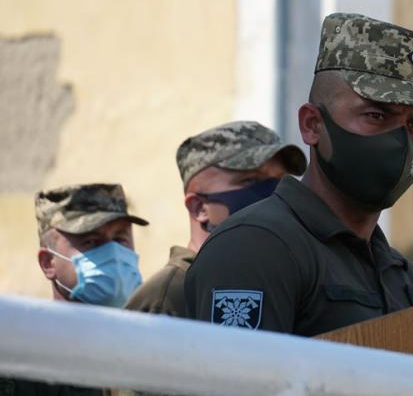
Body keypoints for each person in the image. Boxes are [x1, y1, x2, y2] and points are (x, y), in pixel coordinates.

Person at [185, 12, 413, 336]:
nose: (400, 141)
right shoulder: (255, 247)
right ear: (312, 125)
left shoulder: (409, 282)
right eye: (376, 115)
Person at [124, 121, 307, 317]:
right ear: (199, 207)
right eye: (250, 180)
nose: (275, 192)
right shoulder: (168, 298)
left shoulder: (279, 280)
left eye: (282, 180)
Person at [0, 184, 149, 396]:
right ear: (48, 263)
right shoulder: (23, 360)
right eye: (91, 241)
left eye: (119, 239)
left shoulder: (150, 346)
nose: (113, 254)